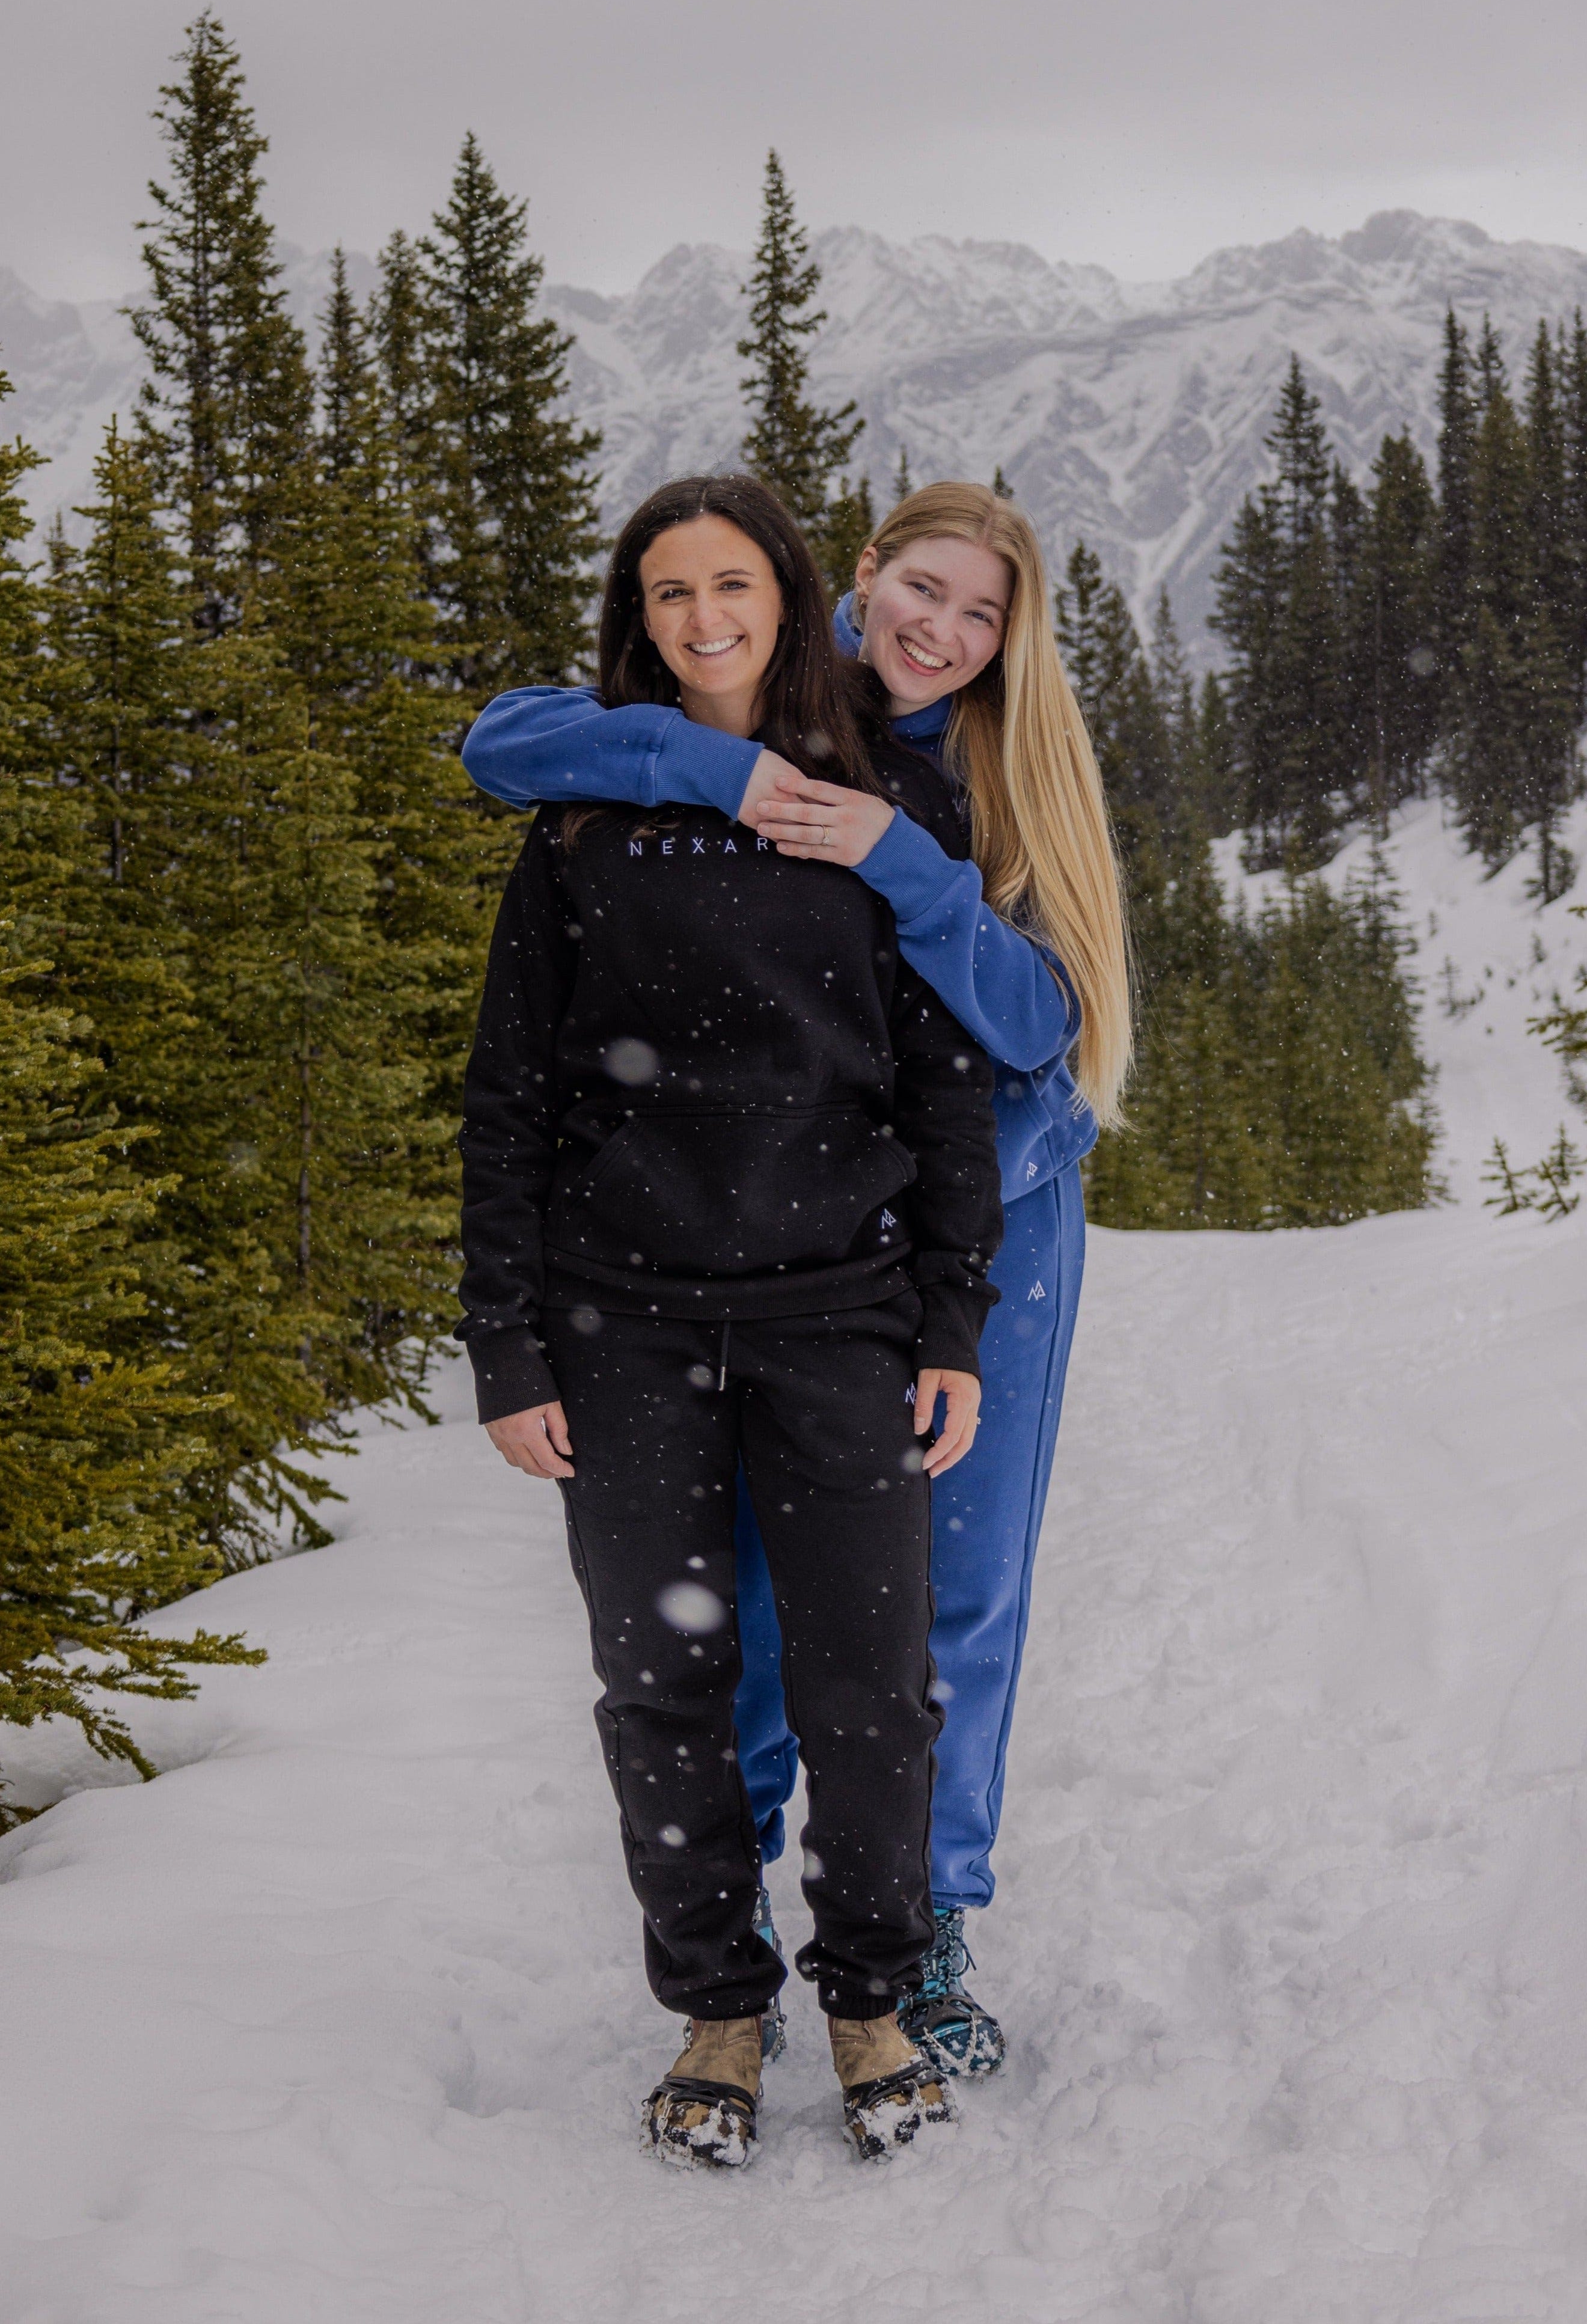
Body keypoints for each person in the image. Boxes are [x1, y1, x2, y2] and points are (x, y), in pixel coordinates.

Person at [463, 480, 1133, 2081]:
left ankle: (926, 1912)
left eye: (980, 615)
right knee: (740, 1603)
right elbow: (506, 744)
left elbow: (1032, 1026)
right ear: (858, 578)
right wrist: (727, 768)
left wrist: (905, 862)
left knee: (943, 1588)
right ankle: (736, 1931)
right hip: (775, 1226)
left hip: (987, 1206)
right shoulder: (765, 680)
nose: (939, 629)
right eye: (920, 587)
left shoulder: (987, 765)